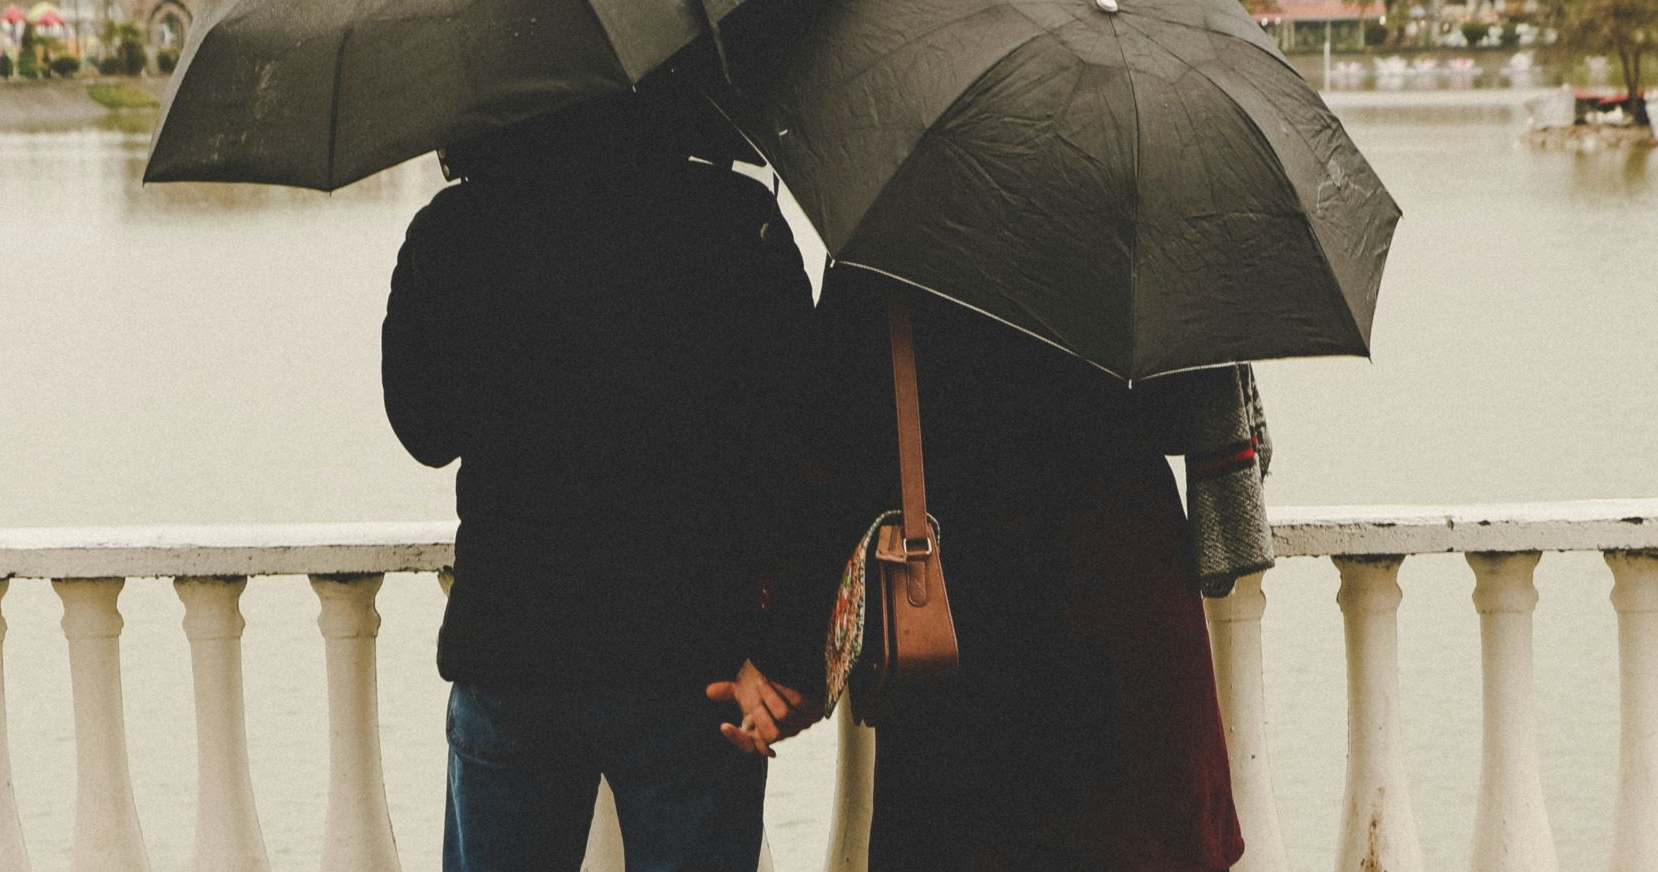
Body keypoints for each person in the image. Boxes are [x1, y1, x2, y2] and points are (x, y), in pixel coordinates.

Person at [382, 85, 814, 872]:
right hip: (697, 659)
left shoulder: (457, 228)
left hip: (515, 647)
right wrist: (786, 649)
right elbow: (797, 452)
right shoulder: (735, 219)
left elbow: (423, 431)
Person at [754, 266, 1246, 872]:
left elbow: (832, 456)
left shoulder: (900, 228)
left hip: (965, 624)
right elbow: (1184, 409)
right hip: (1126, 609)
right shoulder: (1144, 219)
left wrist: (787, 662)